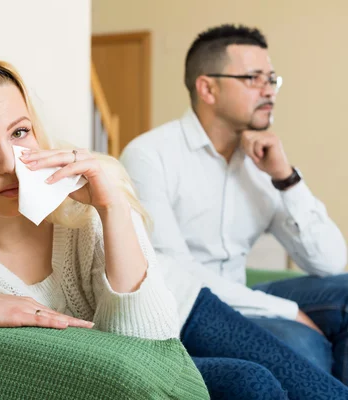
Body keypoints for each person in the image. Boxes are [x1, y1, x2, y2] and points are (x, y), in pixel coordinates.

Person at [0, 53, 348, 399]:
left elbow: (153, 334)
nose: (9, 162)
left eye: (20, 134)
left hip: (183, 303)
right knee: (251, 383)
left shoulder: (81, 214)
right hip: (147, 341)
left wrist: (115, 206)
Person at [121, 24, 348, 386]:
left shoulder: (265, 163)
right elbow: (174, 273)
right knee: (302, 343)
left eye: (272, 78)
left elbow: (331, 263)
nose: (269, 89)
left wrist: (286, 177)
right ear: (207, 88)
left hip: (244, 296)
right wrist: (288, 311)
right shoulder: (149, 156)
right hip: (192, 309)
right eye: (253, 78)